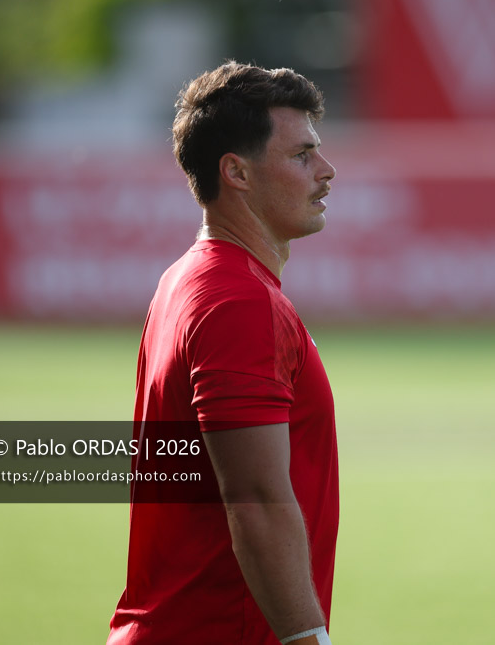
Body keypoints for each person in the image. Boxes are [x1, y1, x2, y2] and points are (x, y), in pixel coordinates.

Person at [107, 61, 338, 645]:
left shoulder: (188, 280)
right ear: (235, 171)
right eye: (301, 155)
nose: (327, 171)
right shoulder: (237, 301)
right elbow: (256, 501)